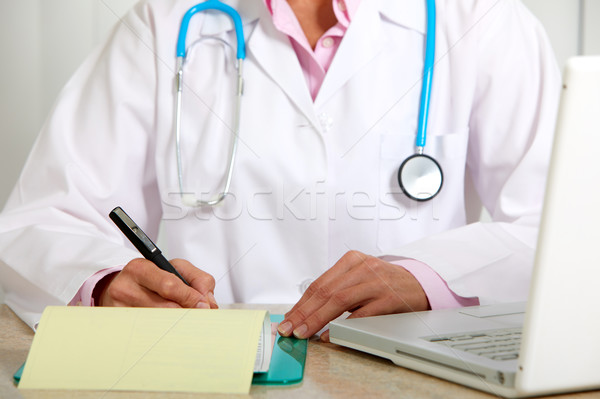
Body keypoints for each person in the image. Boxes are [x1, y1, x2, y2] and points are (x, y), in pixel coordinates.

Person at [0, 0, 561, 342]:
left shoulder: (482, 21)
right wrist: (107, 282)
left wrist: (429, 276)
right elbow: (40, 221)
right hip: (219, 369)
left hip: (415, 371)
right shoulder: (163, 24)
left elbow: (562, 230)